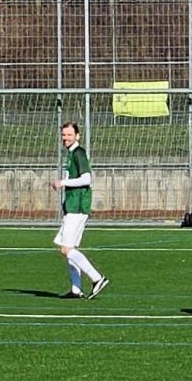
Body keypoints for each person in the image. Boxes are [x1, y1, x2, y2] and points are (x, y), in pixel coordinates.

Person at [54, 121, 109, 299]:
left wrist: (63, 182)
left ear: (77, 136)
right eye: (64, 135)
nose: (66, 138)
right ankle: (76, 289)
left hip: (77, 207)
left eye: (69, 135)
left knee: (66, 249)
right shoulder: (72, 154)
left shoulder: (79, 153)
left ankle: (97, 278)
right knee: (69, 248)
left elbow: (86, 179)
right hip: (72, 206)